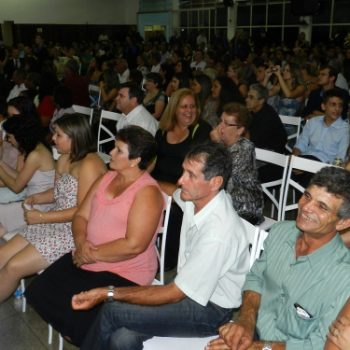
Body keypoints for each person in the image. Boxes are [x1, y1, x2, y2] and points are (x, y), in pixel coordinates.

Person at [71, 142, 250, 350]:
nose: (181, 180)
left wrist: (107, 292)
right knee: (123, 338)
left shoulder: (219, 232)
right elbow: (173, 190)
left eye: (190, 175)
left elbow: (174, 293)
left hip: (209, 311)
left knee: (112, 310)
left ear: (215, 182)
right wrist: (140, 181)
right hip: (186, 292)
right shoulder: (197, 199)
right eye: (183, 170)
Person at [25, 126, 165, 346]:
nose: (110, 152)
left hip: (124, 270)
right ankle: (74, 331)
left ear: (135, 160)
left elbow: (133, 246)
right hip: (87, 254)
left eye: (118, 150)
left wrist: (90, 253)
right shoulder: (107, 177)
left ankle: (79, 333)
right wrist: (81, 244)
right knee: (39, 291)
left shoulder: (148, 192)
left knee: (80, 315)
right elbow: (81, 215)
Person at [207, 166, 350, 350]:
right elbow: (256, 278)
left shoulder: (344, 277)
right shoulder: (281, 231)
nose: (306, 208)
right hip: (254, 331)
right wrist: (245, 321)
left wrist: (260, 347)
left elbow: (319, 344)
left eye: (321, 207)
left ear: (343, 222)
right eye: (307, 196)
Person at [0, 114, 106, 304]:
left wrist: (41, 217)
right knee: (2, 255)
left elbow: (81, 212)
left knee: (14, 266)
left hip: (73, 231)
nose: (53, 139)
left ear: (74, 137)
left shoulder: (90, 164)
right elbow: (58, 192)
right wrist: (39, 197)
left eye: (58, 135)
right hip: (53, 219)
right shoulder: (65, 156)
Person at [150, 88, 212, 269]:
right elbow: (153, 161)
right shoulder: (162, 131)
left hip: (183, 187)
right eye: (184, 106)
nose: (189, 111)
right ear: (174, 109)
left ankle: (167, 263)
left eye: (193, 106)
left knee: (174, 210)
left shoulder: (201, 131)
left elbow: (198, 170)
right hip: (157, 184)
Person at [0, 116, 55, 236]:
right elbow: (20, 178)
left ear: (18, 135)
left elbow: (16, 187)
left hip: (40, 205)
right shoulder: (37, 147)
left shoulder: (35, 154)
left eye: (9, 136)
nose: (8, 140)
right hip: (33, 200)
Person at [211, 102, 264, 224]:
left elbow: (222, 175)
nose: (220, 127)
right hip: (225, 201)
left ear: (239, 130)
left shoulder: (245, 149)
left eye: (226, 123)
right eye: (221, 121)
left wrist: (216, 144)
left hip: (245, 208)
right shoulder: (223, 144)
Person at [293, 89, 349, 165]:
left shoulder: (345, 129)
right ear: (323, 106)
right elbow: (301, 144)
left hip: (324, 166)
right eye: (333, 104)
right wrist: (294, 161)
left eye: (340, 106)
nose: (337, 109)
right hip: (306, 159)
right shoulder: (313, 122)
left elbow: (340, 157)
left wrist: (331, 174)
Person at [245, 83, 287, 183]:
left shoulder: (268, 116)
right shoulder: (251, 112)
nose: (246, 99)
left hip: (272, 159)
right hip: (258, 153)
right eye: (247, 96)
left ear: (261, 101)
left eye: (251, 97)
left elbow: (251, 141)